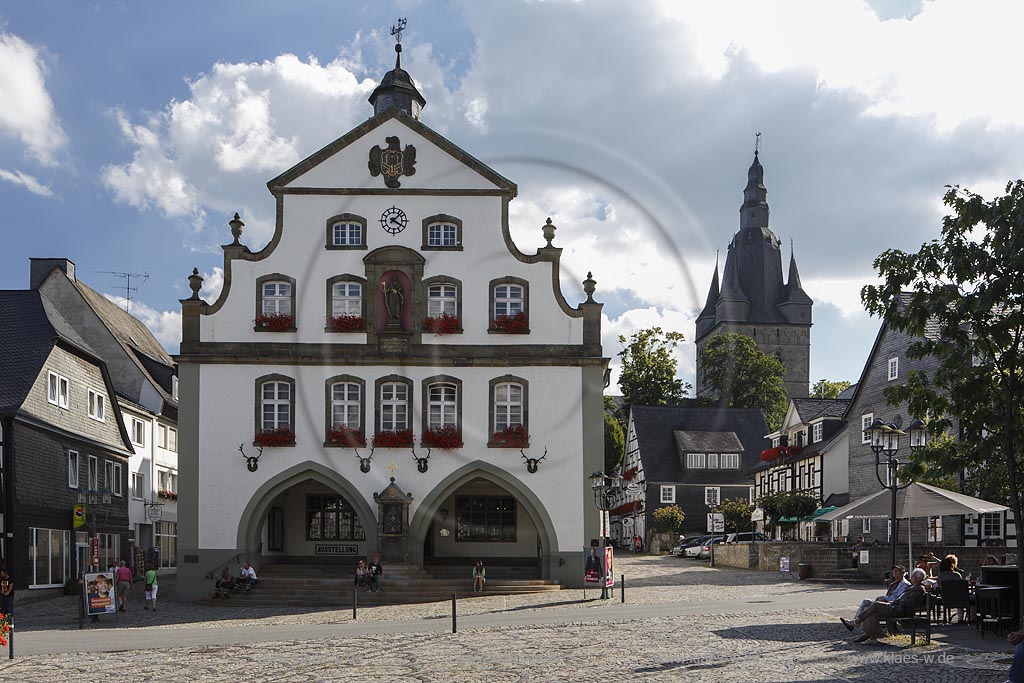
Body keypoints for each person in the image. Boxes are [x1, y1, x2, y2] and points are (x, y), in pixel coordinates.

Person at [846, 567, 929, 643]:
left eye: (913, 575)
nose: (911, 577)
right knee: (871, 610)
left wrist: (893, 602)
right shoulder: (913, 587)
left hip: (900, 610)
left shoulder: (918, 589)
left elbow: (908, 602)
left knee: (876, 605)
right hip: (897, 607)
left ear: (917, 578)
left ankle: (857, 621)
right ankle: (872, 638)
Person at [840, 565, 910, 630]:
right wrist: (882, 598)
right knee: (866, 603)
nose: (894, 573)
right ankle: (857, 624)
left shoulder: (904, 584)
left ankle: (857, 624)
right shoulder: (893, 583)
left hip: (893, 606)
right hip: (887, 603)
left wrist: (883, 598)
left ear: (902, 573)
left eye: (897, 571)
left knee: (868, 605)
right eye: (894, 571)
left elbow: (897, 598)